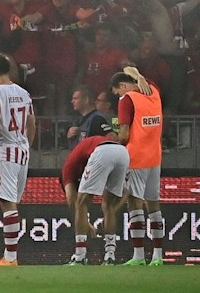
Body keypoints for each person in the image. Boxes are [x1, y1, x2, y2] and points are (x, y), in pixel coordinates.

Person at [0, 53, 32, 266]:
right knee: (13, 202)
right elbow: (32, 123)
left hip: (6, 150)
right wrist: (26, 145)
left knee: (7, 203)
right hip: (23, 150)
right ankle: (10, 256)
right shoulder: (24, 93)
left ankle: (10, 258)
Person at [112, 67, 164, 265]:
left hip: (136, 158)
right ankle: (158, 256)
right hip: (155, 156)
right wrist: (140, 76)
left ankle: (139, 255)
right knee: (154, 205)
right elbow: (129, 67)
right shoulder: (154, 91)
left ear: (123, 86)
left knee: (135, 203)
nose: (119, 95)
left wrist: (113, 145)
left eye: (118, 91)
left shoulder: (127, 99)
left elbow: (124, 134)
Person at [61, 133, 130, 265]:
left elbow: (72, 202)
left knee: (81, 203)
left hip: (103, 152)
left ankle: (80, 257)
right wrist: (112, 212)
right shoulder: (86, 149)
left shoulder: (68, 169)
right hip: (123, 152)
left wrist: (86, 224)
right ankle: (110, 255)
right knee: (108, 206)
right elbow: (127, 191)